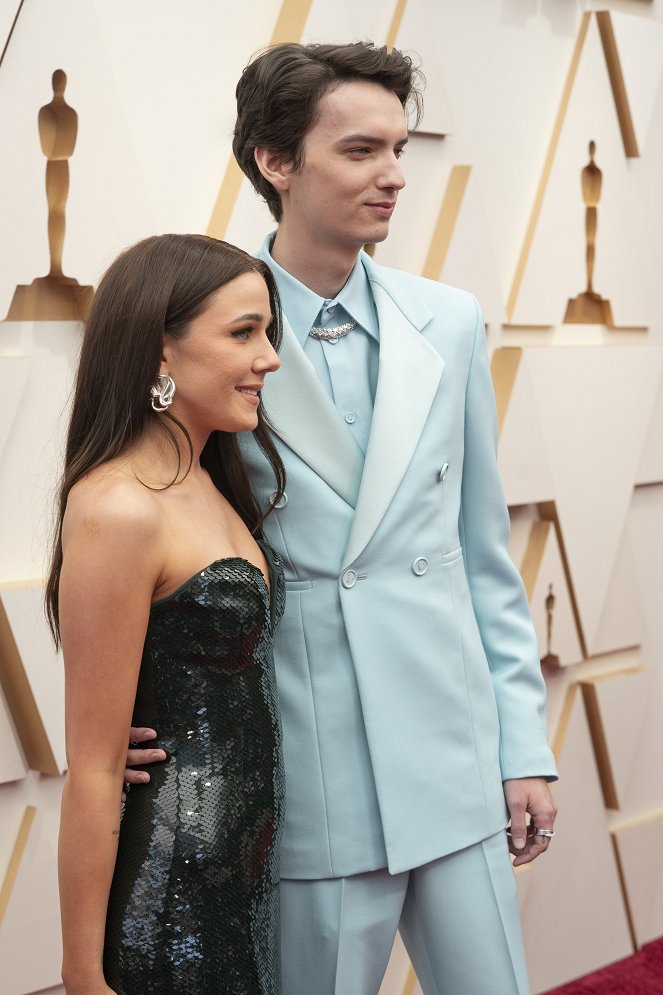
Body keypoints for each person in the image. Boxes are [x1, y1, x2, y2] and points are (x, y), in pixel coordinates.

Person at [127, 43, 558, 995]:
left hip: (453, 752)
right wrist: (119, 711)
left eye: (399, 149)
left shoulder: (447, 320)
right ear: (276, 162)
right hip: (301, 768)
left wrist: (522, 745)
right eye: (362, 150)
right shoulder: (201, 328)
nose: (394, 176)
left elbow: (480, 553)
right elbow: (138, 529)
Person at [47, 233, 287, 994]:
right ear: (161, 351)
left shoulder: (208, 475)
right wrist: (83, 974)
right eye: (243, 332)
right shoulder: (118, 506)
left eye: (269, 332)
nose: (269, 357)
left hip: (239, 880)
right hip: (172, 889)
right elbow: (91, 768)